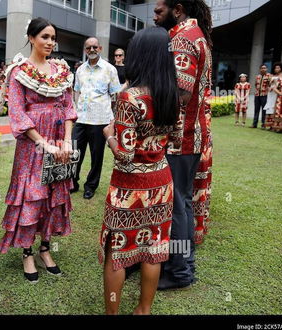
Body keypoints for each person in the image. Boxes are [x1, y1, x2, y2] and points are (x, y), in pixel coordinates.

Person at [100, 27, 177, 315]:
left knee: (116, 252)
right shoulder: (172, 95)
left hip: (130, 186)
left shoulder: (130, 98)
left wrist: (108, 134)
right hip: (162, 182)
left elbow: (124, 157)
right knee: (153, 249)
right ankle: (143, 310)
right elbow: (177, 140)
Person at [0, 17, 77, 283]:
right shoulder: (19, 71)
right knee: (31, 196)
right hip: (32, 146)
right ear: (31, 38)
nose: (50, 42)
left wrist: (65, 141)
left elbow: (67, 107)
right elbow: (17, 113)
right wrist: (43, 144)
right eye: (45, 36)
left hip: (58, 142)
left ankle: (45, 248)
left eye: (53, 38)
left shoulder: (61, 70)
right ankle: (27, 252)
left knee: (53, 195)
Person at [154, 0, 213, 290]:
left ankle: (178, 272)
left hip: (180, 139)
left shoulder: (182, 39)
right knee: (184, 203)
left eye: (158, 11)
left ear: (177, 9)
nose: (155, 16)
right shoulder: (198, 35)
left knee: (176, 206)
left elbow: (181, 92)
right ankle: (184, 265)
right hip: (193, 136)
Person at [72, 37, 121, 199]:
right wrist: (75, 110)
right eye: (88, 48)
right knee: (74, 153)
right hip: (81, 119)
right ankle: (73, 182)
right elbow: (76, 91)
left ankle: (90, 186)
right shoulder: (80, 70)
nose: (91, 50)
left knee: (96, 156)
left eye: (94, 47)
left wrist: (112, 119)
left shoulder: (110, 69)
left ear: (100, 48)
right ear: (85, 50)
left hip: (100, 120)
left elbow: (116, 95)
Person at [263, 63, 282, 129]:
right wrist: (269, 87)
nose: (276, 69)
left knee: (275, 107)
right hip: (270, 92)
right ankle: (268, 124)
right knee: (269, 106)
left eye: (278, 68)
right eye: (275, 68)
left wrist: (275, 86)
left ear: (281, 68)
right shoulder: (271, 75)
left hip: (277, 93)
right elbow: (268, 84)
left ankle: (274, 125)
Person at [253, 64, 272, 128]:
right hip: (257, 95)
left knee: (264, 110)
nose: (263, 69)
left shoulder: (269, 76)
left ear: (266, 69)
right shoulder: (257, 76)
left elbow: (270, 84)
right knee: (256, 110)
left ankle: (263, 124)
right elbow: (256, 84)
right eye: (262, 68)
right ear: (260, 69)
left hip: (264, 95)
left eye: (264, 68)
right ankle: (254, 124)